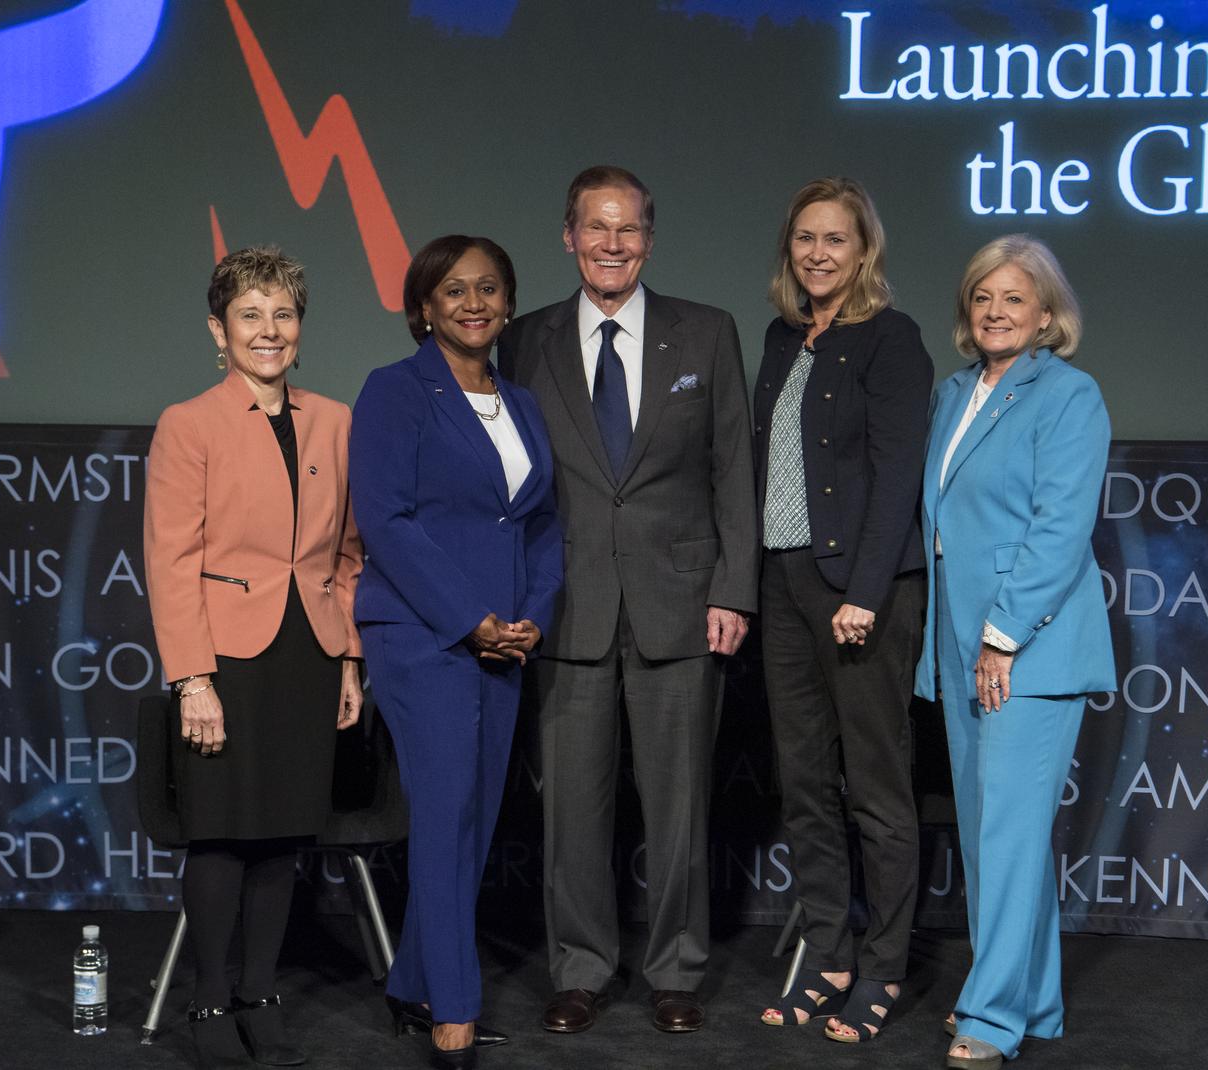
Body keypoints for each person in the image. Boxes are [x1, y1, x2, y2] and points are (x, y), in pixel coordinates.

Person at [497, 165, 758, 1035]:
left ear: (651, 237)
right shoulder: (524, 340)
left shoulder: (708, 333)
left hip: (683, 605)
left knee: (680, 807)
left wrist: (734, 591)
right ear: (567, 236)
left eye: (630, 229)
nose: (613, 244)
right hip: (566, 607)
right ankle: (580, 969)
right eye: (595, 228)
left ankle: (677, 971)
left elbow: (733, 471)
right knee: (572, 809)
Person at [143, 246, 364, 1069]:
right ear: (218, 330)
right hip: (225, 658)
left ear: (300, 329)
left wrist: (347, 656)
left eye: (282, 314)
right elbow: (169, 561)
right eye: (250, 315)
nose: (268, 331)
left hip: (309, 650)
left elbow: (349, 552)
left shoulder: (336, 421)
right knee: (223, 836)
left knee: (283, 835)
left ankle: (260, 991)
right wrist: (192, 678)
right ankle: (207, 996)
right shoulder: (188, 424)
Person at [349, 235, 562, 1070]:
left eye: (488, 289)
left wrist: (532, 616)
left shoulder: (525, 404)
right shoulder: (395, 392)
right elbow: (387, 521)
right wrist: (468, 617)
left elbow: (541, 526)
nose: (472, 302)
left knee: (472, 821)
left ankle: (413, 981)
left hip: (505, 640)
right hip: (421, 633)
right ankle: (457, 1009)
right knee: (444, 815)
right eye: (453, 290)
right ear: (425, 306)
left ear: (507, 303)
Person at [916, 235, 1115, 1069]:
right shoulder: (956, 391)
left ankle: (990, 1018)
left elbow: (1060, 529)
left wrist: (1001, 638)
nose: (996, 312)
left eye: (1015, 300)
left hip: (1023, 648)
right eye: (983, 298)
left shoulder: (1070, 395)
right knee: (999, 836)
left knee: (1004, 836)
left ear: (1047, 315)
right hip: (960, 641)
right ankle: (1031, 1000)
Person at [752, 178, 932, 1042]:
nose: (818, 253)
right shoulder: (784, 339)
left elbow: (899, 475)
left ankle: (887, 967)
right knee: (806, 786)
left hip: (863, 592)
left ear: (865, 251)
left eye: (836, 240)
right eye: (805, 239)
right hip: (783, 585)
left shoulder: (891, 340)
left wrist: (863, 594)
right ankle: (828, 951)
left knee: (876, 787)